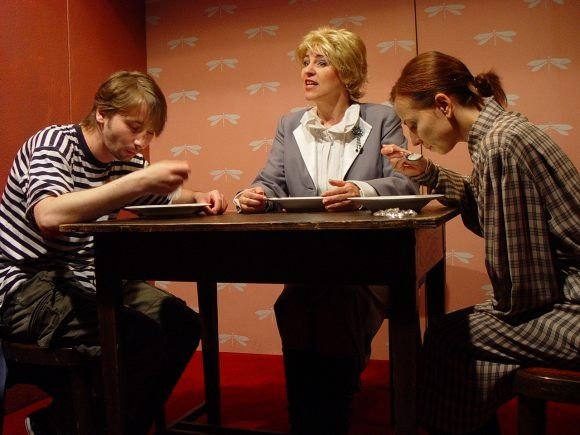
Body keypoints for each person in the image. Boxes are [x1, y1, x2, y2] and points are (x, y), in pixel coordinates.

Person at [0, 71, 228, 434]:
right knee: (140, 336)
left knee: (182, 325)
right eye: (135, 127)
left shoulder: (126, 161)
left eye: (150, 133)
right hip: (22, 283)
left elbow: (170, 197)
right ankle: (59, 425)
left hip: (87, 278)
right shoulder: (53, 145)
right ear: (102, 113)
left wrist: (201, 196)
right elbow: (49, 216)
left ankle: (91, 424)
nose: (141, 142)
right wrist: (135, 182)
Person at [382, 51, 579, 435]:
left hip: (572, 306)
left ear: (443, 104)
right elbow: (485, 200)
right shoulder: (504, 130)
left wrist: (493, 314)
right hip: (565, 293)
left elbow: (525, 290)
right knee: (456, 336)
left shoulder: (498, 146)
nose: (413, 138)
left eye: (413, 124)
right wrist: (428, 172)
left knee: (447, 338)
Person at [235, 27, 417, 434]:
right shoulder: (290, 124)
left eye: (321, 62)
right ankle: (304, 416)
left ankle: (333, 415)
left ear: (347, 71)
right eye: (305, 62)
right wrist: (254, 194)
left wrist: (361, 190)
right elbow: (270, 181)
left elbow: (405, 183)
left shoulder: (381, 118)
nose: (308, 70)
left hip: (370, 263)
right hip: (309, 262)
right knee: (293, 304)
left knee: (338, 302)